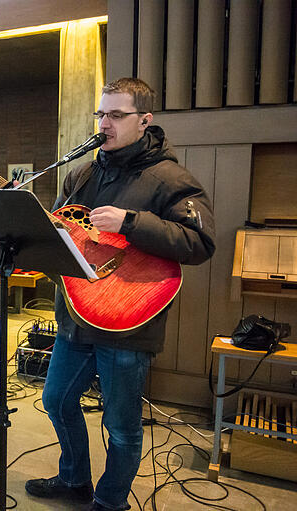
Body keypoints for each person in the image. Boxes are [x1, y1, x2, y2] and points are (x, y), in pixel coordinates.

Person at [26, 78, 215, 511]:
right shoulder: (82, 172)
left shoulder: (170, 178)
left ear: (144, 120)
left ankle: (111, 501)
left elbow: (200, 243)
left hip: (130, 320)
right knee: (56, 400)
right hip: (77, 314)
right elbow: (60, 229)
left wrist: (132, 221)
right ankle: (74, 479)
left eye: (116, 115)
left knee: (122, 425)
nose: (104, 123)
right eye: (100, 114)